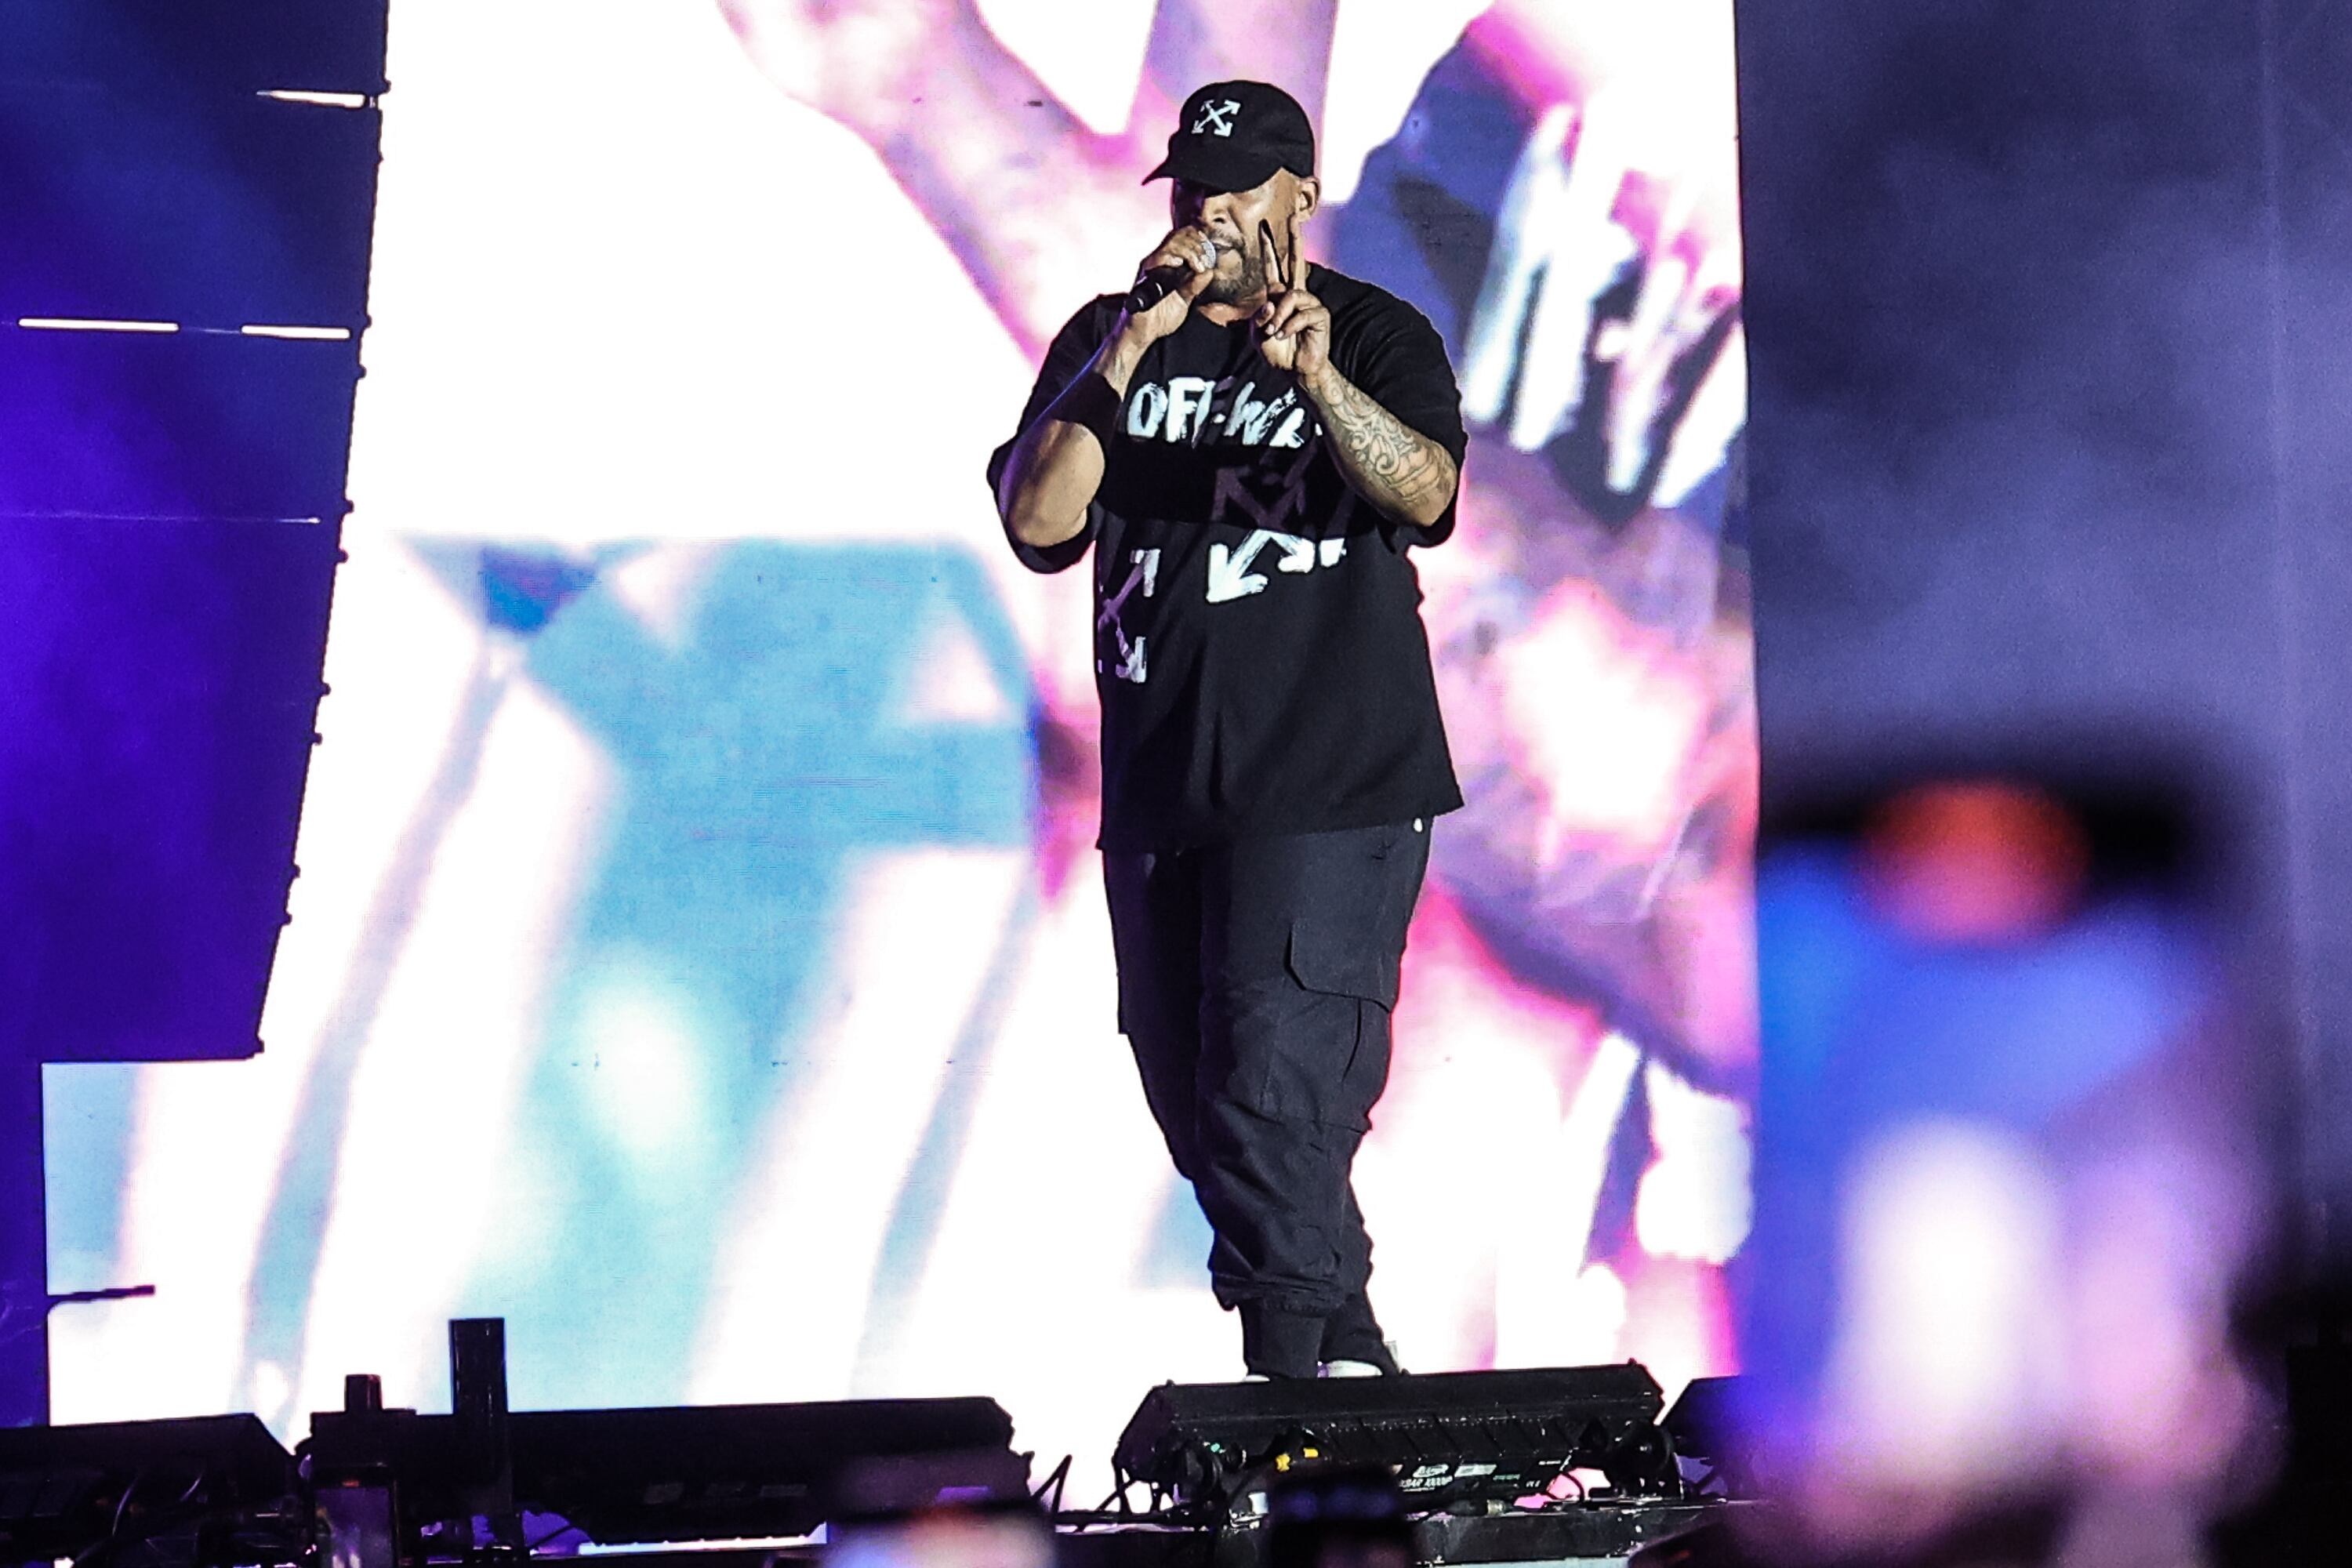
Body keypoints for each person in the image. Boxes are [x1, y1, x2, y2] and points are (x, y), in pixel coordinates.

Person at [988, 80, 1468, 1380]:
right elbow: (1039, 524)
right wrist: (1125, 356)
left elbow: (1426, 493)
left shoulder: (1371, 332)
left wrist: (1314, 379)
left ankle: (1293, 1417)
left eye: (1237, 187)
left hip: (1327, 776)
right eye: (1192, 189)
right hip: (1162, 787)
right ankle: (1357, 1376)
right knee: (1202, 1101)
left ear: (1297, 198)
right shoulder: (1107, 339)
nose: (1208, 212)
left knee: (1272, 1088)